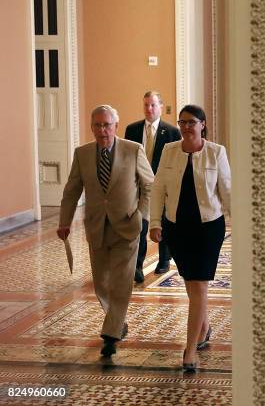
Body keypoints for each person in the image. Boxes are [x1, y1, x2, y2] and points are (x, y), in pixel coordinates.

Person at [57, 105, 154, 357]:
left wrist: (142, 216)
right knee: (102, 283)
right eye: (98, 125)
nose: (103, 130)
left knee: (122, 282)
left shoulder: (133, 150)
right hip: (97, 226)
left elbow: (149, 186)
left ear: (115, 126)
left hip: (127, 225)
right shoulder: (82, 154)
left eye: (107, 125)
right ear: (92, 127)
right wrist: (64, 221)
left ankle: (110, 334)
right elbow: (71, 190)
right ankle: (117, 322)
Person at [149, 104, 230, 372]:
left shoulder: (216, 152)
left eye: (191, 122)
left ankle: (190, 350)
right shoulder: (170, 151)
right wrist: (156, 222)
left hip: (208, 228)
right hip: (177, 228)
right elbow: (158, 188)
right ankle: (204, 328)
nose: (185, 127)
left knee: (200, 287)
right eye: (182, 122)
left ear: (203, 124)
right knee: (190, 284)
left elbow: (227, 191)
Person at [125, 91, 181, 283]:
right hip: (138, 186)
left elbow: (176, 160)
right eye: (146, 105)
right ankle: (137, 265)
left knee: (163, 221)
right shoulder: (132, 130)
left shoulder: (172, 132)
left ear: (160, 107)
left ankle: (164, 259)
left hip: (163, 184)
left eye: (153, 105)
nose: (149, 109)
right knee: (140, 225)